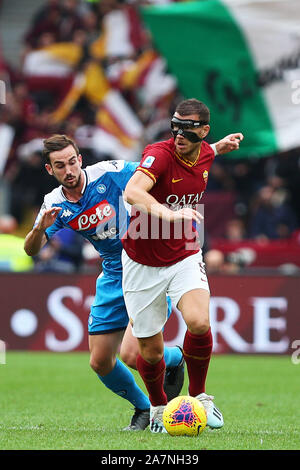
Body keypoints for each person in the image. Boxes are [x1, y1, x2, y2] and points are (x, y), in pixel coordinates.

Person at [24, 130, 241, 431]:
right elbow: (31, 249)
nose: (69, 170)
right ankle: (146, 403)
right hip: (113, 274)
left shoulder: (111, 173)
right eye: (60, 166)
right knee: (100, 362)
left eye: (72, 162)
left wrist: (213, 149)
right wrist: (39, 230)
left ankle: (166, 380)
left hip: (146, 263)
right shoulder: (53, 203)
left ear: (80, 159)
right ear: (50, 169)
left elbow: (160, 168)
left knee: (131, 354)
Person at [121, 98, 244, 432]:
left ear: (203, 131)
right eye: (175, 127)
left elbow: (207, 153)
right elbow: (133, 191)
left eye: (189, 130)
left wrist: (220, 147)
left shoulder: (203, 151)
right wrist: (170, 213)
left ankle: (201, 396)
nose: (179, 135)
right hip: (141, 262)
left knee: (199, 322)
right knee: (147, 351)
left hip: (184, 253)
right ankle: (160, 407)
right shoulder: (160, 154)